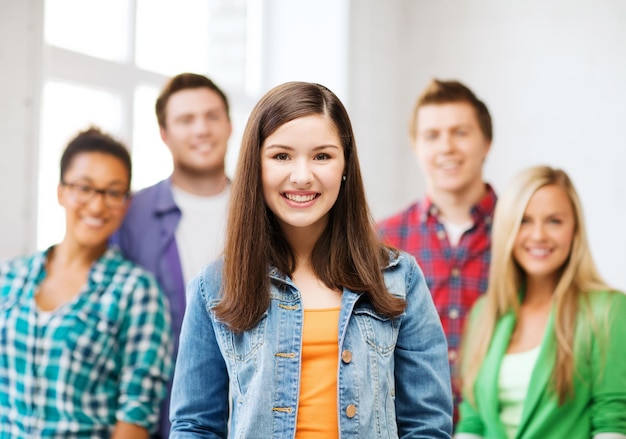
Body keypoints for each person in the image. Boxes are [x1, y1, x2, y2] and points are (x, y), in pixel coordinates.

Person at [169, 81, 453, 437]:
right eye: (281, 156)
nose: (302, 176)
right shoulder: (214, 287)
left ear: (345, 163)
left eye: (322, 156)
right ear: (255, 166)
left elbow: (427, 424)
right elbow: (195, 426)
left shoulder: (399, 278)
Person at [0, 127, 172, 438]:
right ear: (61, 191)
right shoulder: (8, 278)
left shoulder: (137, 292)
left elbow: (135, 416)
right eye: (85, 188)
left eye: (113, 192)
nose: (96, 205)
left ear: (126, 202)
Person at [456, 165, 626, 439]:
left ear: (575, 230)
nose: (538, 235)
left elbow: (611, 423)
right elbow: (472, 423)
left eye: (554, 221)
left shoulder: (609, 311)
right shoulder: (484, 314)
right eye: (524, 220)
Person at [111, 73, 232, 437]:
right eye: (185, 120)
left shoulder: (264, 210)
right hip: (158, 419)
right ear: (164, 133)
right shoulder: (131, 215)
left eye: (212, 116)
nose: (202, 129)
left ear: (229, 124)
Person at [377, 79, 496, 421]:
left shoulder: (524, 234)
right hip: (411, 425)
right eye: (432, 135)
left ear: (486, 142)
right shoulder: (382, 240)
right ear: (416, 146)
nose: (447, 147)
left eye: (460, 132)